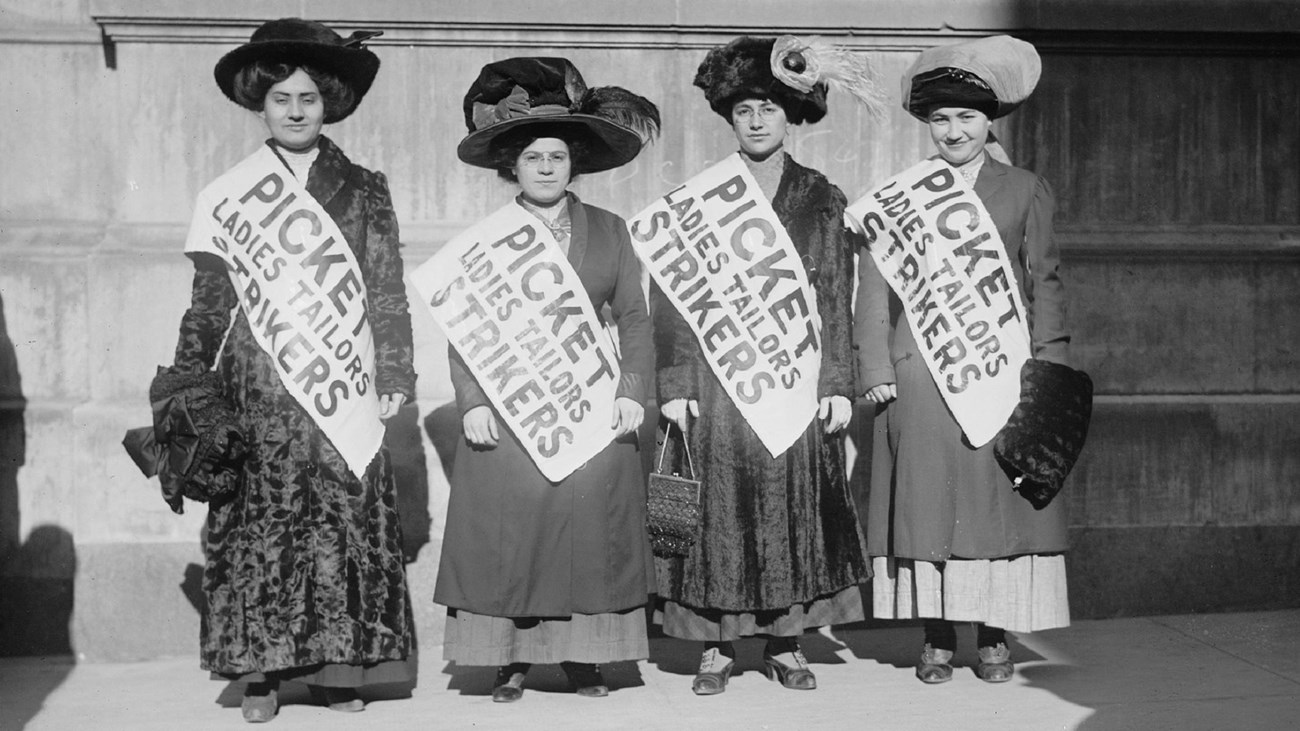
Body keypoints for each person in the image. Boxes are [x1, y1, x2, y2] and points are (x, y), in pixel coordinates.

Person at [172, 18, 415, 722]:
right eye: (282, 99)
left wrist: (395, 368)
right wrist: (189, 381)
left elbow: (386, 287)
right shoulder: (228, 196)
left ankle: (341, 669)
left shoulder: (367, 188)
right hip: (258, 384)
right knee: (259, 528)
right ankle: (261, 675)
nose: (297, 110)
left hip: (343, 379)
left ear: (329, 102)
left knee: (340, 523)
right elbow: (209, 303)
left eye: (309, 97)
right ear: (261, 104)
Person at [431, 57, 660, 703]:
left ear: (573, 163)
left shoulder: (611, 231)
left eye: (557, 155)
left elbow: (636, 319)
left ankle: (586, 658)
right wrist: (471, 400)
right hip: (512, 402)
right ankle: (510, 660)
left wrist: (629, 390)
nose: (546, 167)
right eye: (532, 157)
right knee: (515, 528)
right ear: (512, 166)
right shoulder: (487, 240)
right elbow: (464, 326)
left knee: (588, 529)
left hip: (588, 400)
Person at [654, 36, 877, 695]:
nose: (757, 120)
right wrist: (674, 384)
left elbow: (837, 294)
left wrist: (838, 383)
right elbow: (670, 301)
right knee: (720, 516)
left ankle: (786, 641)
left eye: (770, 108)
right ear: (730, 116)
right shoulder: (699, 198)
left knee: (791, 513)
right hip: (720, 387)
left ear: (791, 117)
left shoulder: (820, 197)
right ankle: (719, 646)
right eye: (746, 108)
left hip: (795, 381)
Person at [854, 35, 1071, 684]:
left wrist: (1049, 369)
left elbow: (1046, 285)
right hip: (920, 376)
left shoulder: (1026, 190)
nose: (954, 129)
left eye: (967, 117)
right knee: (929, 509)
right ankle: (938, 636)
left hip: (1001, 373)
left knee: (992, 509)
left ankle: (996, 636)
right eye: (942, 118)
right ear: (928, 124)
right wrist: (875, 368)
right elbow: (874, 288)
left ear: (989, 122)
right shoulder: (899, 196)